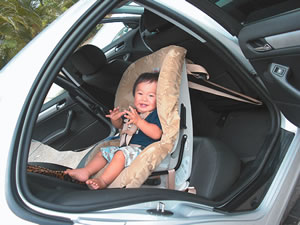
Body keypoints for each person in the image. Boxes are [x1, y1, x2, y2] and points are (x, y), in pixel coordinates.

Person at [64, 72, 162, 189]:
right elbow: (122, 127)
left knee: (120, 155)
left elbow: (156, 134)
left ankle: (102, 181)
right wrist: (115, 120)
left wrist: (139, 121)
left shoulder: (156, 114)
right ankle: (85, 171)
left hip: (142, 150)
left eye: (151, 95)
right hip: (126, 148)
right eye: (140, 93)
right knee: (103, 152)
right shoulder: (134, 112)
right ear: (134, 95)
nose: (144, 98)